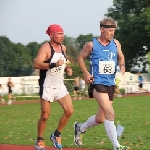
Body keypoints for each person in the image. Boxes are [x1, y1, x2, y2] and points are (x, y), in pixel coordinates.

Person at [74, 18, 130, 150]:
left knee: (100, 118)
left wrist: (122, 65)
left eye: (114, 31)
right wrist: (86, 73)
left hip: (110, 84)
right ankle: (117, 146)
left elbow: (121, 56)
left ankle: (80, 128)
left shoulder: (116, 43)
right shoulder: (91, 45)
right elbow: (80, 58)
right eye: (110, 31)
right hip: (97, 83)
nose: (112, 34)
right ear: (102, 29)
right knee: (110, 113)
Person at [34, 24, 74, 150]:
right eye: (59, 34)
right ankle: (39, 141)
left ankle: (56, 135)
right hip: (47, 85)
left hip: (59, 85)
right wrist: (54, 64)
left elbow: (63, 60)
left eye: (63, 33)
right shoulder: (46, 48)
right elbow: (37, 63)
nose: (62, 36)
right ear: (51, 35)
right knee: (45, 115)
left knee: (69, 111)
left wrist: (67, 68)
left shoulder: (63, 48)